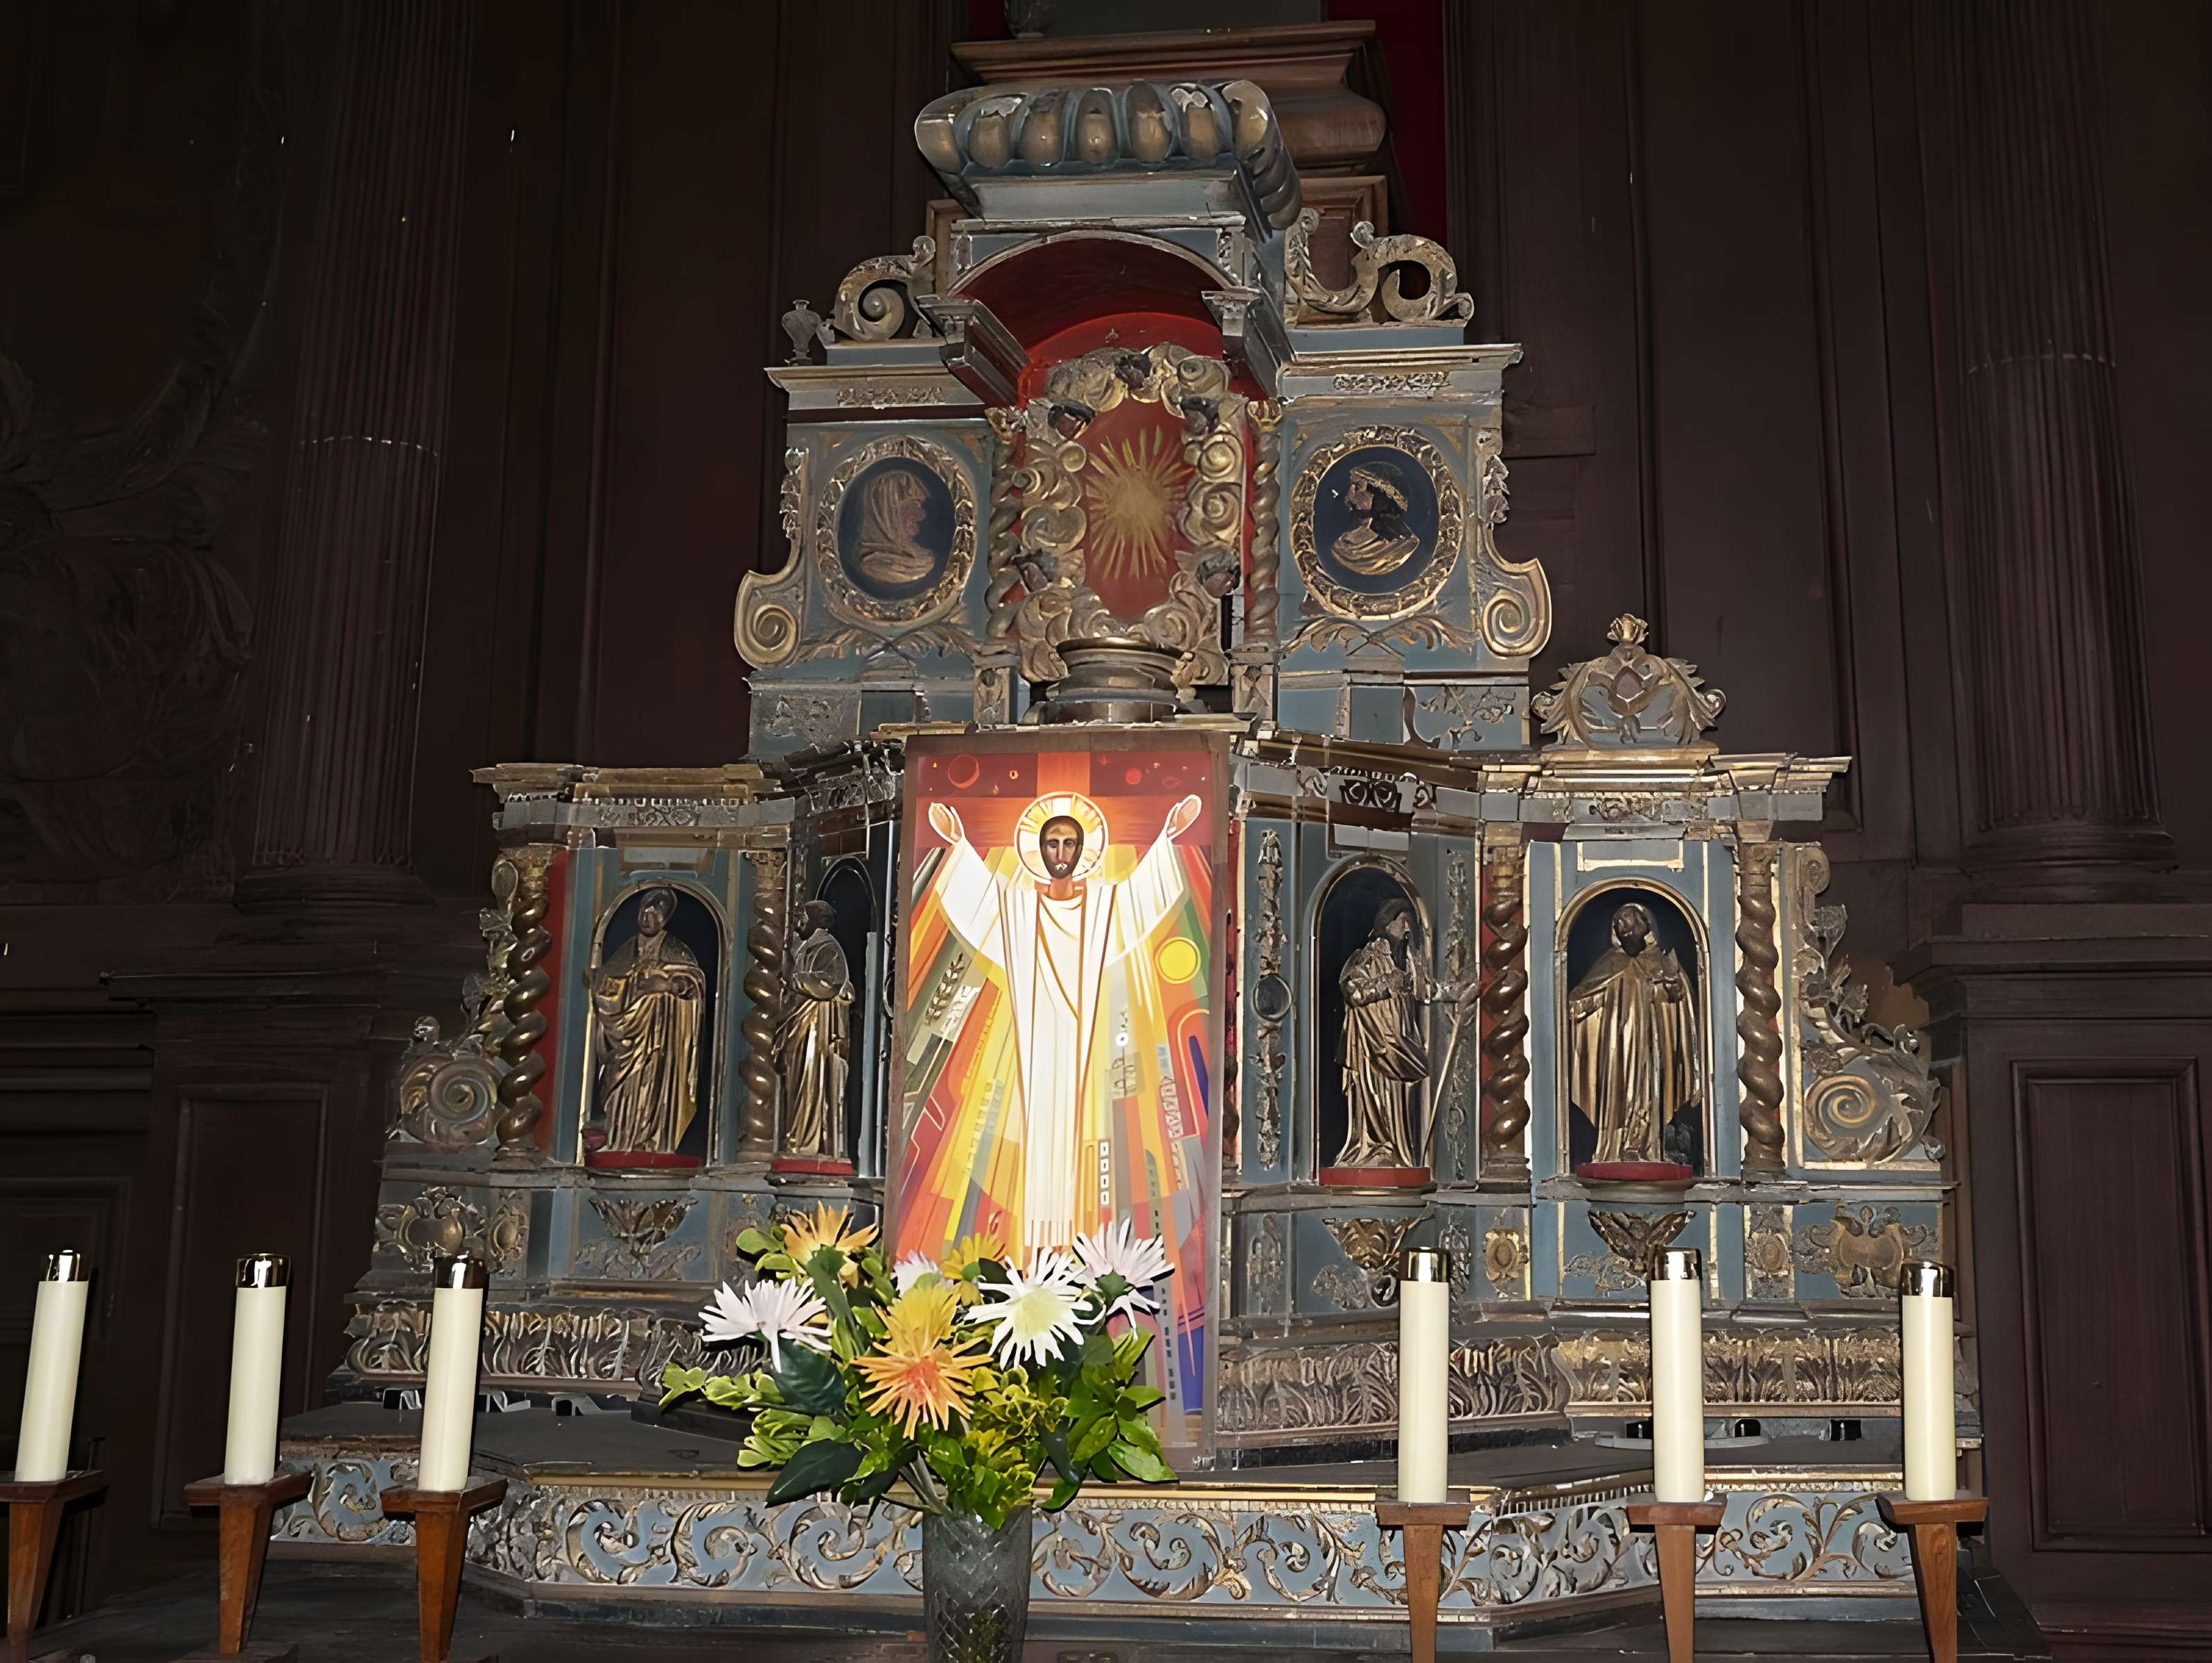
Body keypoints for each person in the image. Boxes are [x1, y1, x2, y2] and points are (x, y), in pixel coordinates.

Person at [923, 790, 1202, 1249]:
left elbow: (1138, 898)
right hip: (1033, 1041)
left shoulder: (1101, 908)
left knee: (1075, 1127)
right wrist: (957, 846)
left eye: (1069, 844)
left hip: (1082, 1042)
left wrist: (1168, 837)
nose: (1060, 853)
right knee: (1036, 1125)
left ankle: (1069, 1238)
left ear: (1083, 851)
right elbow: (984, 900)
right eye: (1052, 843)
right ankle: (1034, 1241)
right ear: (1038, 849)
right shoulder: (1019, 909)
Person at [1566, 901, 1703, 1165]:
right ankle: (1614, 1148)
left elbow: (1677, 1000)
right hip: (1616, 1045)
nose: (1626, 928)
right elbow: (1584, 1000)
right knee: (1617, 1094)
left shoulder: (1660, 960)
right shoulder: (1610, 963)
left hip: (1650, 1042)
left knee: (1647, 1091)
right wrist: (1579, 1003)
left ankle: (1643, 1146)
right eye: (1620, 924)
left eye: (1631, 922)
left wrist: (1672, 983)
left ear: (1646, 925)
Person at [589, 888, 705, 1154]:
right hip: (624, 1039)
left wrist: (668, 985)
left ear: (664, 919)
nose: (647, 919)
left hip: (659, 1040)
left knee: (651, 1088)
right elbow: (607, 981)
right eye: (643, 913)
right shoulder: (625, 951)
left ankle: (651, 1139)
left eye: (654, 915)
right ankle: (621, 1138)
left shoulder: (677, 951)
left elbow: (693, 984)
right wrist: (632, 984)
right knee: (621, 1087)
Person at [778, 900, 852, 1162]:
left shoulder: (828, 948)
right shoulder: (804, 947)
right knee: (795, 1080)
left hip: (816, 1028)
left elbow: (830, 984)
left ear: (816, 922)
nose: (799, 922)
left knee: (811, 1080)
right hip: (799, 1025)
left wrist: (794, 980)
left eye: (803, 918)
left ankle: (806, 1141)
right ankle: (795, 1137)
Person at [848, 466, 937, 588]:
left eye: (919, 505)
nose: (922, 515)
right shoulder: (875, 566)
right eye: (912, 505)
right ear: (884, 513)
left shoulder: (925, 558)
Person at [1328, 464, 1421, 576]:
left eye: (1358, 487)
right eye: (1351, 487)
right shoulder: (1345, 542)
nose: (1348, 497)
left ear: (1379, 493)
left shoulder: (1403, 545)